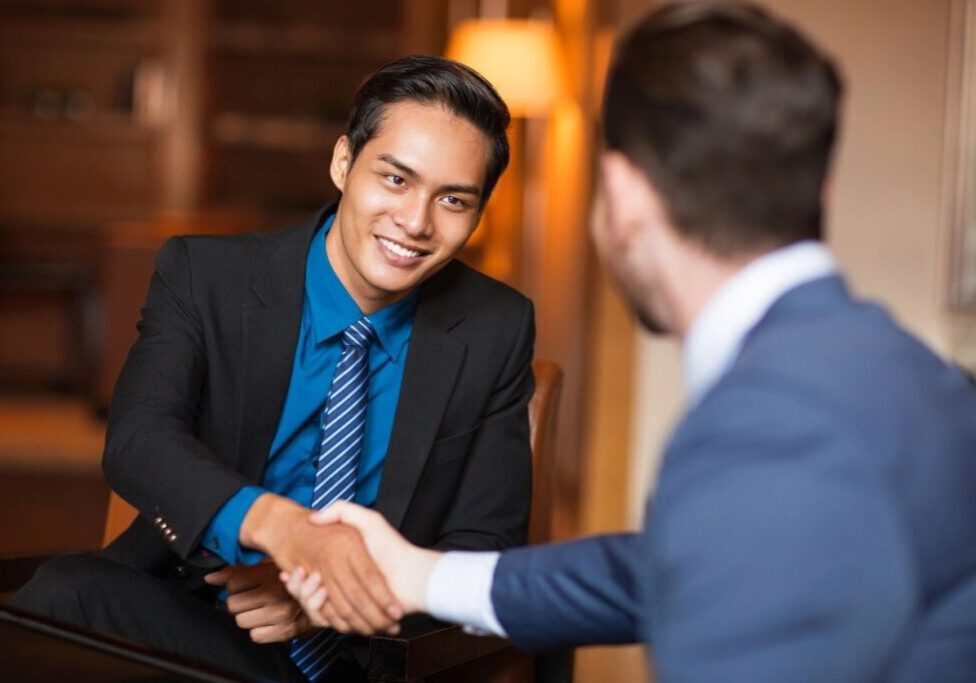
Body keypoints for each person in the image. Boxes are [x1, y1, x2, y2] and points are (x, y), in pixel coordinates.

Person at [284, 3, 976, 682]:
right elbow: (678, 563)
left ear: (622, 196)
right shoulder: (910, 371)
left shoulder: (770, 425)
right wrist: (422, 575)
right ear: (816, 187)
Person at [13, 55, 535, 682]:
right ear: (344, 162)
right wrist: (284, 532)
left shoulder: (494, 327)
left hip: (364, 653)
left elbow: (487, 552)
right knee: (65, 594)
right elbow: (139, 440)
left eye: (453, 199)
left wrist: (329, 600)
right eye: (395, 180)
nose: (417, 223)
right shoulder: (207, 278)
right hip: (195, 613)